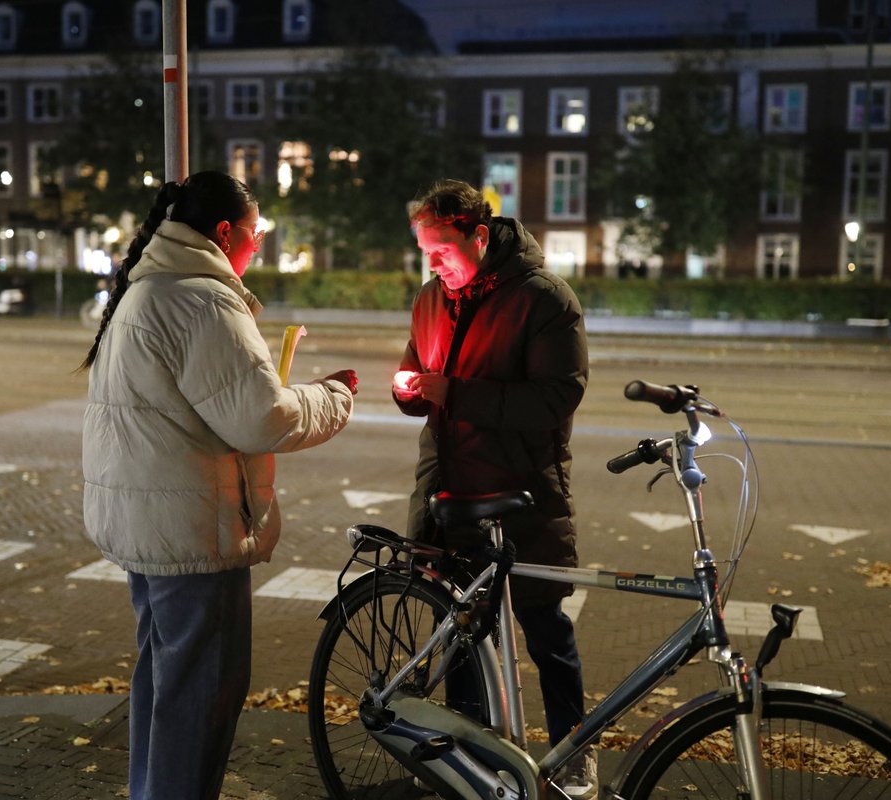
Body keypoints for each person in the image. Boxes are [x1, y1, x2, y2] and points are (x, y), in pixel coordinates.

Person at [79, 171, 358, 800]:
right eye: (255, 235)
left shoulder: (146, 288)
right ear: (226, 231)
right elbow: (262, 419)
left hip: (151, 520)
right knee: (202, 693)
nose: (258, 247)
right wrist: (333, 395)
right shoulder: (201, 299)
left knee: (164, 680)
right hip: (192, 529)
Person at [392, 179, 594, 798]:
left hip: (522, 494)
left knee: (544, 629)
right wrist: (407, 393)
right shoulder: (432, 298)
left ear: (480, 236)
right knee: (459, 632)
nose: (434, 264)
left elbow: (558, 397)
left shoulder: (543, 299)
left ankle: (573, 753)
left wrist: (454, 393)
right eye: (425, 251)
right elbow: (418, 376)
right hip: (449, 493)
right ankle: (467, 760)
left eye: (443, 249)